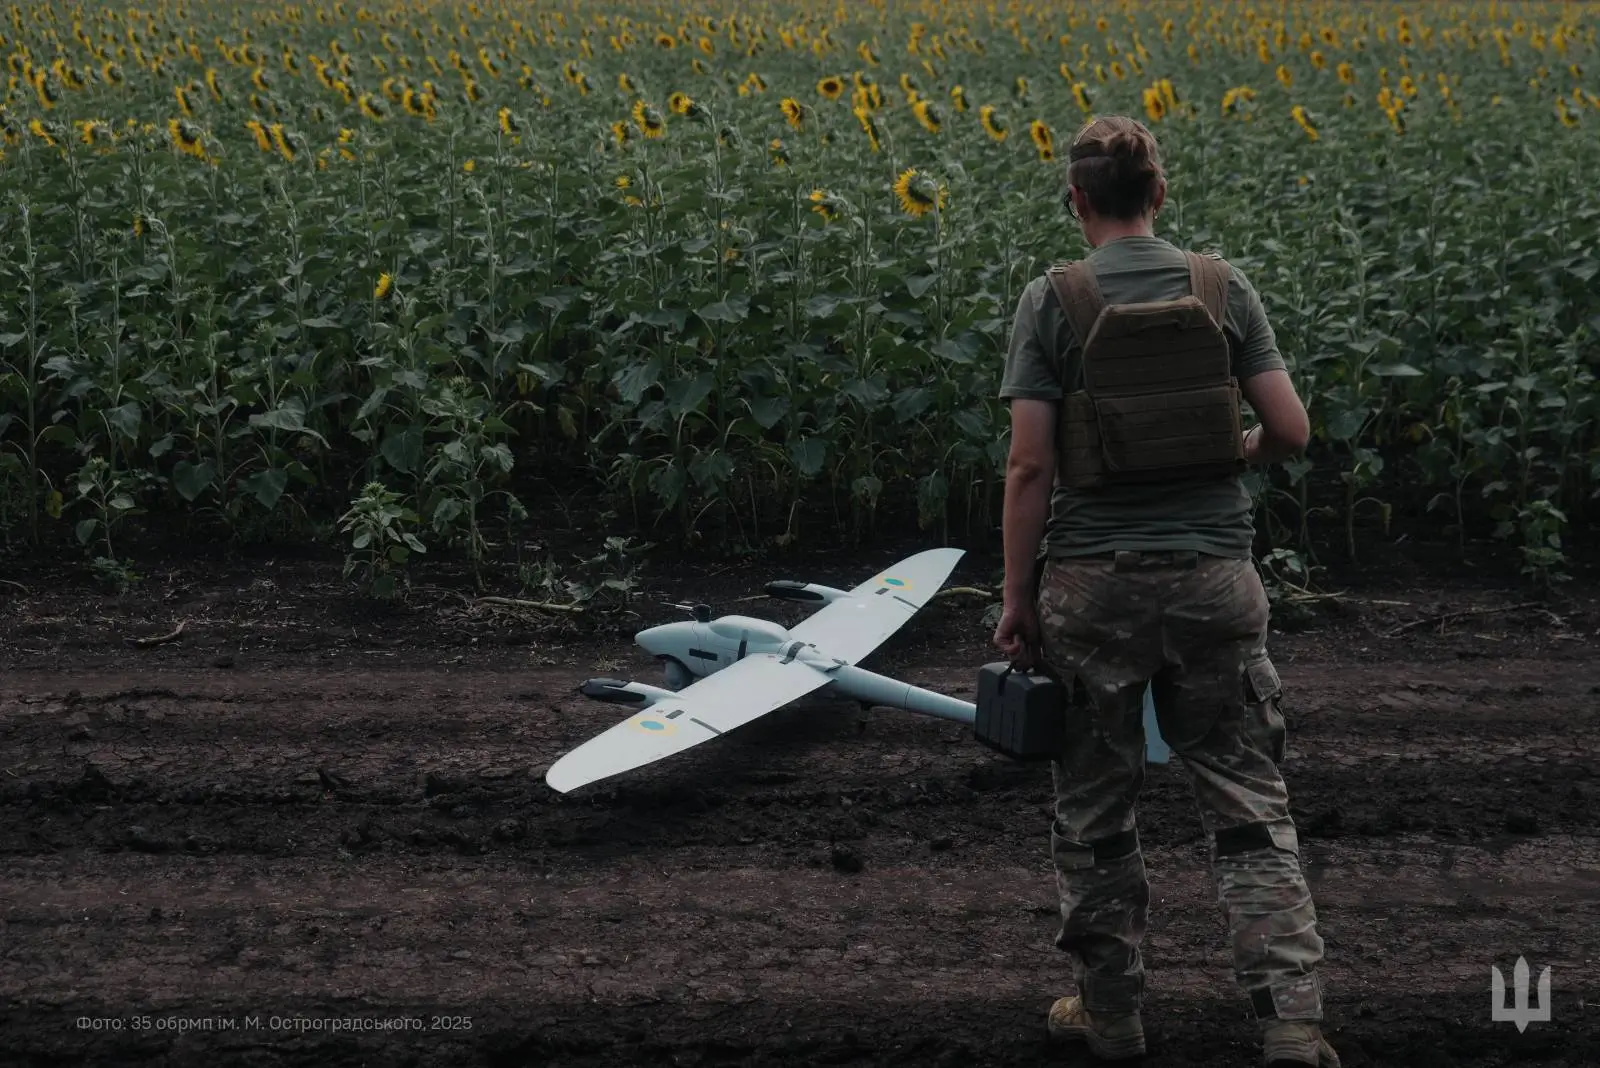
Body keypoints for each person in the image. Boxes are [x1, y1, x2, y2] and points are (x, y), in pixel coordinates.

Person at [992, 115, 1338, 1068]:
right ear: (1160, 195)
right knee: (1248, 803)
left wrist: (1018, 598)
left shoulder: (1051, 300)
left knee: (1096, 809)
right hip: (1215, 581)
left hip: (1091, 590)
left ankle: (1113, 1018)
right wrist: (1236, 449)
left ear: (1077, 201)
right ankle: (1293, 1028)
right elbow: (1292, 431)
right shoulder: (1223, 288)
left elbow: (1029, 468)